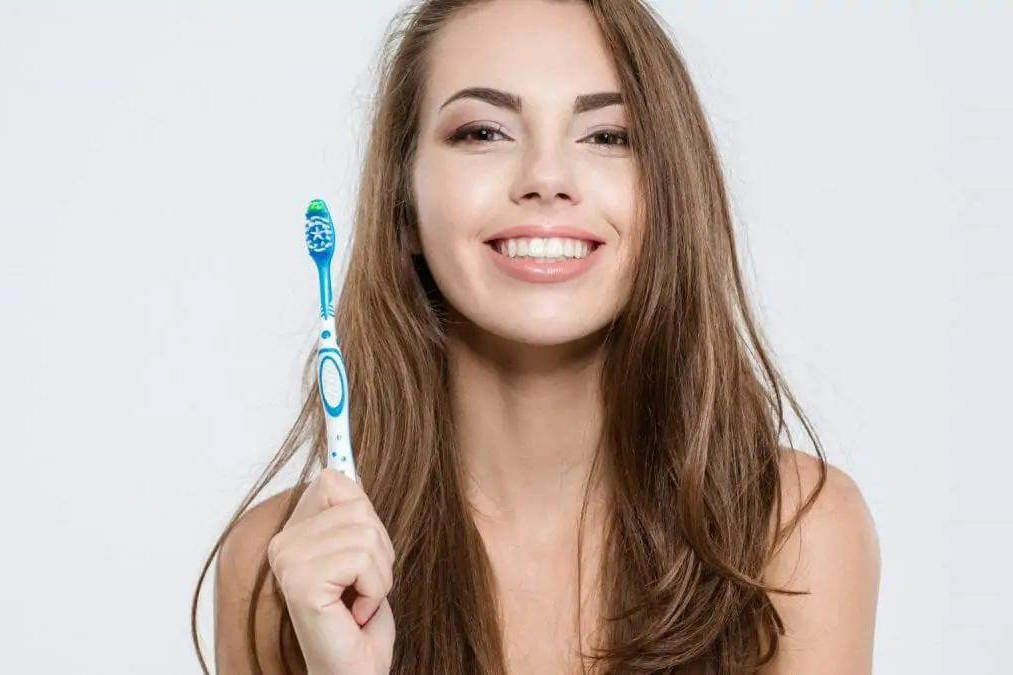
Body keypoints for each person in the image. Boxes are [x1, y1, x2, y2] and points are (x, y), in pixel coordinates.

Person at [194, 0, 881, 673]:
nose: (547, 179)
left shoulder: (796, 533)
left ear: (668, 197)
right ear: (403, 207)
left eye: (608, 136)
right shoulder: (277, 566)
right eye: (484, 133)